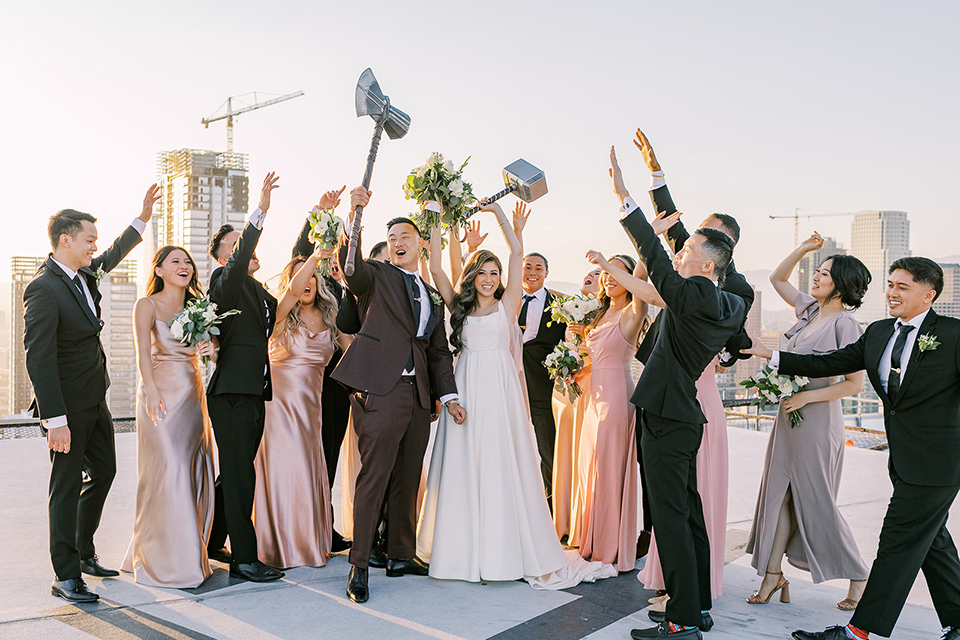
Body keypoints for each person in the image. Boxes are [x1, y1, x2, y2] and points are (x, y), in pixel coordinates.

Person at [746, 257, 960, 640]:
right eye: (890, 284)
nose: (892, 292)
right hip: (905, 459)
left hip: (940, 462)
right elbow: (829, 361)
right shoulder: (878, 332)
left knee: (898, 540)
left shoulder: (954, 334)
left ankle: (859, 631)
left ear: (929, 295)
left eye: (903, 287)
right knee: (934, 542)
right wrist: (770, 356)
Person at [610, 144, 745, 640]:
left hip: (668, 417)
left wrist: (626, 199)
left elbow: (655, 258)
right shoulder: (727, 301)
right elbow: (671, 262)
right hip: (681, 415)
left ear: (706, 267)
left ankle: (683, 620)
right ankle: (697, 607)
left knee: (672, 519)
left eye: (687, 252)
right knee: (688, 516)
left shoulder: (691, 293)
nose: (680, 252)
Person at [24, 185, 159, 602]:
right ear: (65, 240)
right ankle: (65, 575)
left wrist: (141, 220)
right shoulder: (43, 288)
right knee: (64, 488)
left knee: (104, 471)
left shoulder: (83, 274)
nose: (94, 247)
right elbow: (39, 358)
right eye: (88, 240)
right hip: (66, 407)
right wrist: (55, 419)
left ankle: (83, 552)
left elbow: (113, 254)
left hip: (94, 396)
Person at [333, 186, 463, 604]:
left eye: (405, 236)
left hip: (419, 398)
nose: (397, 243)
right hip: (380, 392)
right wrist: (355, 215)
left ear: (420, 243)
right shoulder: (377, 276)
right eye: (391, 239)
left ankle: (401, 555)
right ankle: (359, 566)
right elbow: (351, 270)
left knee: (409, 478)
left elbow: (439, 352)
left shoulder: (430, 294)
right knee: (374, 477)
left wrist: (449, 396)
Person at [631, 129, 755, 561]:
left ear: (721, 246)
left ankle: (684, 595)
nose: (687, 237)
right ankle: (679, 582)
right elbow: (671, 233)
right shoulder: (699, 268)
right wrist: (654, 171)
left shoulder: (734, 288)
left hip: (686, 388)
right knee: (671, 493)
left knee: (681, 498)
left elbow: (737, 342)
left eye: (701, 234)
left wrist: (720, 355)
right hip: (664, 383)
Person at [745, 234, 871, 610]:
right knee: (779, 495)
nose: (816, 278)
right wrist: (803, 250)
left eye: (825, 274)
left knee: (816, 501)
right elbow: (777, 280)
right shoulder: (810, 311)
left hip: (817, 421)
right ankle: (772, 574)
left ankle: (859, 574)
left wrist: (806, 396)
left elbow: (853, 383)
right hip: (790, 417)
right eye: (817, 272)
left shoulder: (846, 325)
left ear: (842, 284)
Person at [204, 172, 283, 583]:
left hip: (253, 391)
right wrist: (261, 211)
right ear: (222, 258)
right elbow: (236, 264)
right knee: (240, 475)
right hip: (232, 392)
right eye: (233, 247)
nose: (244, 251)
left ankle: (214, 539)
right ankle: (244, 560)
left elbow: (289, 298)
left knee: (234, 472)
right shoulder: (224, 281)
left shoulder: (256, 290)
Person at [122, 246, 216, 588]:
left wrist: (211, 349)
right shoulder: (145, 305)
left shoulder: (198, 308)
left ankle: (188, 556)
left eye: (187, 261)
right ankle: (162, 560)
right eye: (175, 261)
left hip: (192, 396)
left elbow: (212, 347)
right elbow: (141, 352)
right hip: (158, 396)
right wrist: (151, 389)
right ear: (159, 270)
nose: (184, 266)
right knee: (167, 470)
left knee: (188, 470)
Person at [254, 245, 349, 569]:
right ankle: (279, 546)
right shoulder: (280, 314)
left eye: (311, 277)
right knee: (284, 470)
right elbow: (294, 290)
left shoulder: (330, 316)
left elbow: (354, 352)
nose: (305, 282)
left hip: (312, 411)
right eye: (298, 276)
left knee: (309, 472)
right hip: (278, 410)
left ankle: (308, 543)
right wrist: (312, 258)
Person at [570, 251, 647, 572]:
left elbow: (641, 281)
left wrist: (647, 239)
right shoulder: (597, 313)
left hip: (616, 396)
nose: (609, 276)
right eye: (605, 271)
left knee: (609, 469)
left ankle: (609, 544)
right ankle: (591, 537)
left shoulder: (633, 310)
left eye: (618, 271)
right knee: (591, 467)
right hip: (592, 397)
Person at [291, 186, 354, 554]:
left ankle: (322, 525)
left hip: (336, 386)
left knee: (328, 456)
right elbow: (299, 253)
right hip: (302, 386)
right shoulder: (312, 278)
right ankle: (297, 524)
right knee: (302, 455)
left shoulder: (350, 282)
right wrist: (318, 210)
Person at [554, 266, 602, 541]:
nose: (591, 275)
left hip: (589, 385)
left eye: (599, 274)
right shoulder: (572, 308)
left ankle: (581, 522)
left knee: (583, 454)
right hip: (563, 389)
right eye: (590, 272)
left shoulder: (605, 315)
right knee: (564, 452)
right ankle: (562, 522)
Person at [519, 251, 567, 504]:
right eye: (527, 267)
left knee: (548, 451)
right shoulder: (505, 299)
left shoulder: (559, 306)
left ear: (546, 273)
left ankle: (552, 508)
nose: (532, 273)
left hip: (542, 390)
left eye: (538, 268)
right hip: (508, 386)